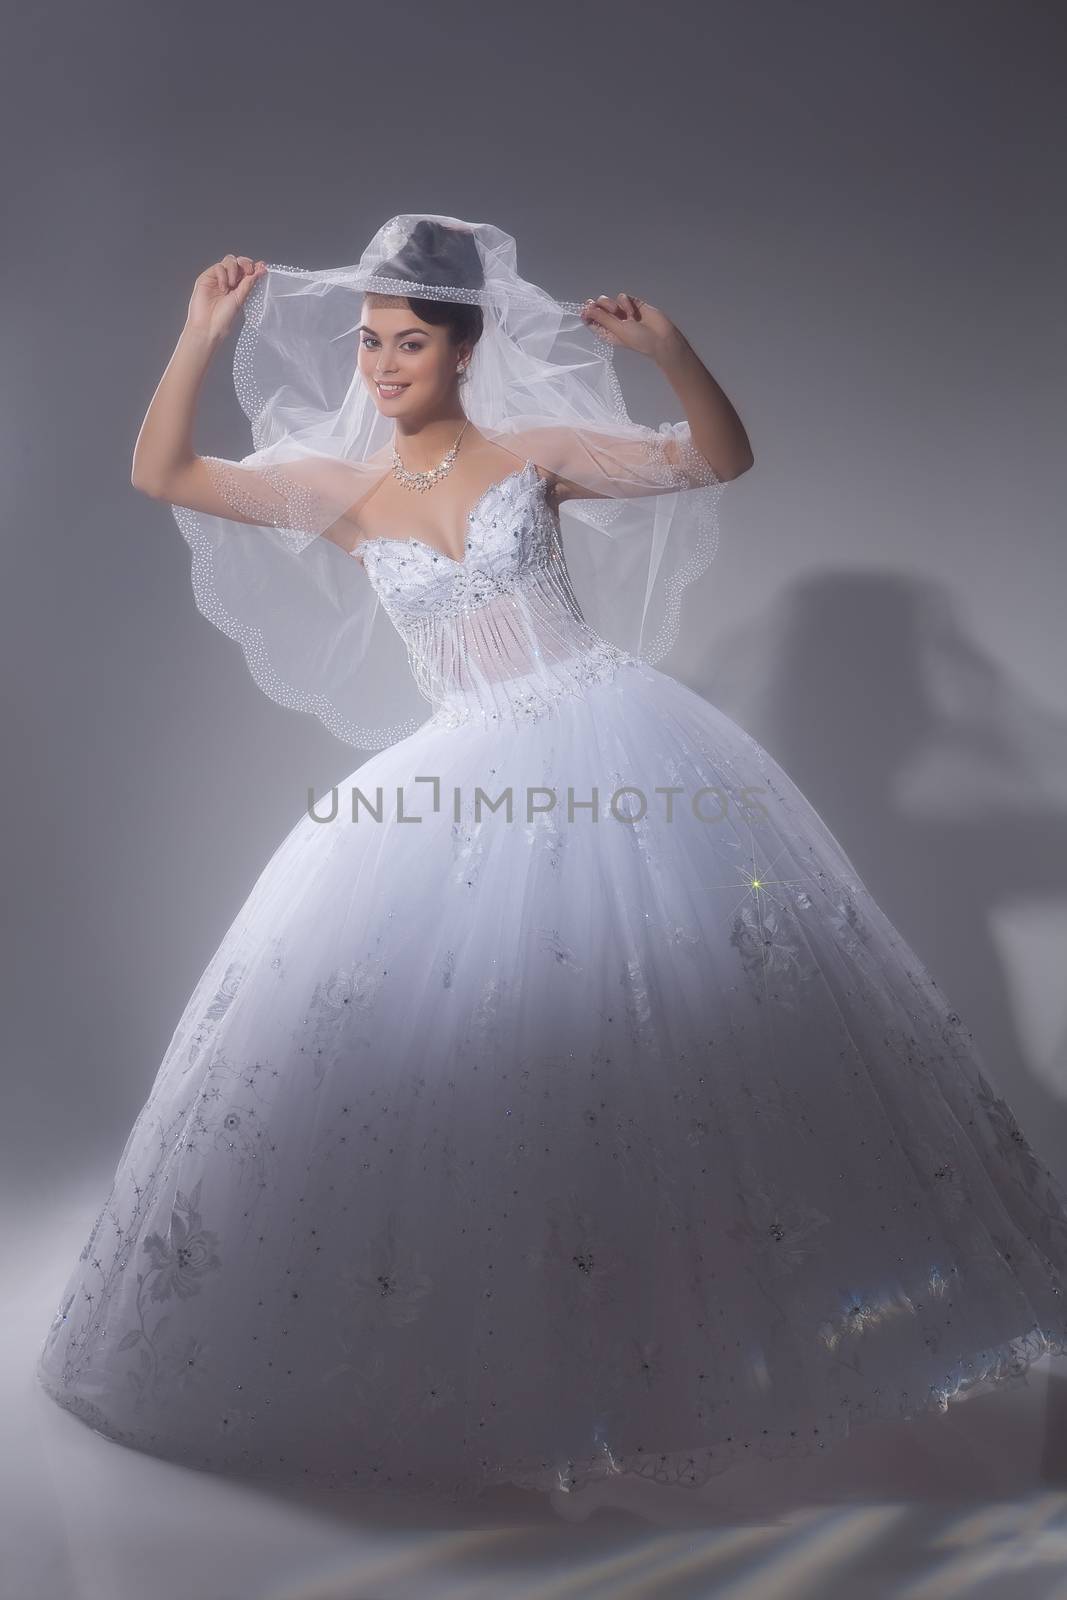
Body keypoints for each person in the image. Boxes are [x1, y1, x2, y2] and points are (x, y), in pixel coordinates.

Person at [35, 214, 1067, 1525]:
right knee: (489, 1057)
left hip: (608, 737)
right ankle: (509, 1358)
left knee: (657, 1046)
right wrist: (198, 335)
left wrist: (674, 352)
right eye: (369, 342)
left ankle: (710, 1342)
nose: (381, 365)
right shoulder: (343, 490)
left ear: (468, 348)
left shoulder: (535, 456)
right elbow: (166, 472)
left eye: (409, 341)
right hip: (460, 773)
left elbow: (715, 457)